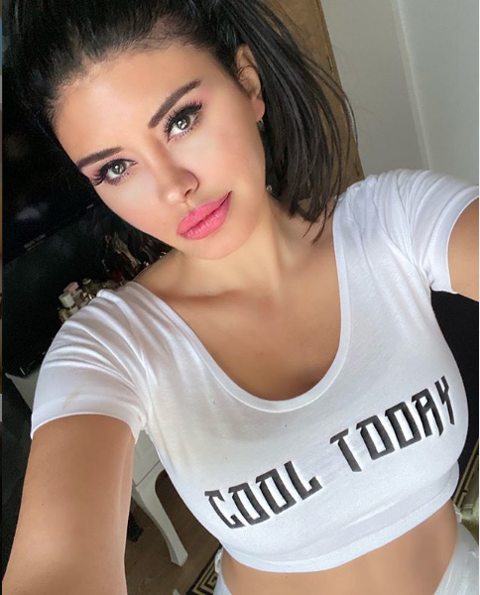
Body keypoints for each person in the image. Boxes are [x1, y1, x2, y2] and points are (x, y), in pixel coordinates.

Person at [3, 1, 479, 594]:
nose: (174, 188)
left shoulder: (395, 223)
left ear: (248, 84)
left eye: (181, 120)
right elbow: (56, 570)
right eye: (117, 168)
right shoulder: (110, 347)